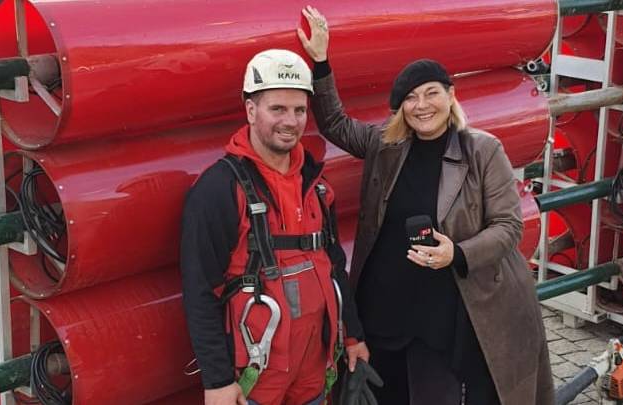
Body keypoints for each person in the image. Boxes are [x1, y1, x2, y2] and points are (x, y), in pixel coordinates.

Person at [297, 6, 555, 405]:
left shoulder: (482, 150)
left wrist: (458, 252)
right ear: (400, 108)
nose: (422, 105)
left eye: (432, 92)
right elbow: (335, 124)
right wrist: (320, 60)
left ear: (450, 96)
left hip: (445, 316)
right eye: (410, 98)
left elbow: (508, 226)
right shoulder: (386, 145)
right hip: (385, 311)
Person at [180, 49, 370, 405]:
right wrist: (217, 381)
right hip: (254, 382)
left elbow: (332, 266)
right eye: (277, 109)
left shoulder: (315, 184)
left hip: (313, 375)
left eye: (299, 110)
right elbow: (199, 290)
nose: (291, 121)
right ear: (251, 111)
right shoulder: (219, 189)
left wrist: (352, 335)